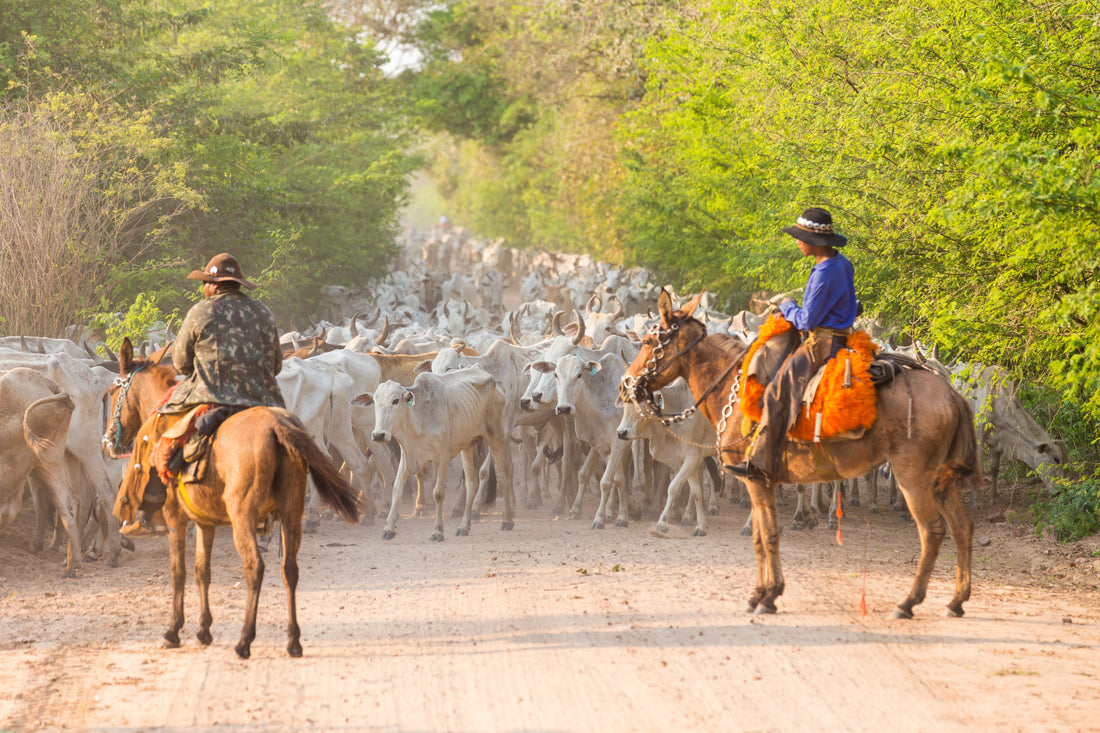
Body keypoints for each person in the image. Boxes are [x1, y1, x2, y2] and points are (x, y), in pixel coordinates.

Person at [123, 253, 285, 536]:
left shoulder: (201, 310)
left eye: (205, 284)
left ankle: (148, 508)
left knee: (154, 427)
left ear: (213, 285)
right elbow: (277, 365)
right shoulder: (264, 312)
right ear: (237, 284)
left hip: (211, 396)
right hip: (264, 399)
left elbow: (183, 363)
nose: (203, 289)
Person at [730, 207, 859, 481]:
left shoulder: (825, 273)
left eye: (801, 236)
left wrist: (787, 306)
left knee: (778, 389)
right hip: (842, 338)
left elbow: (807, 321)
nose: (797, 241)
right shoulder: (842, 263)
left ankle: (763, 462)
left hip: (822, 345)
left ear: (815, 240)